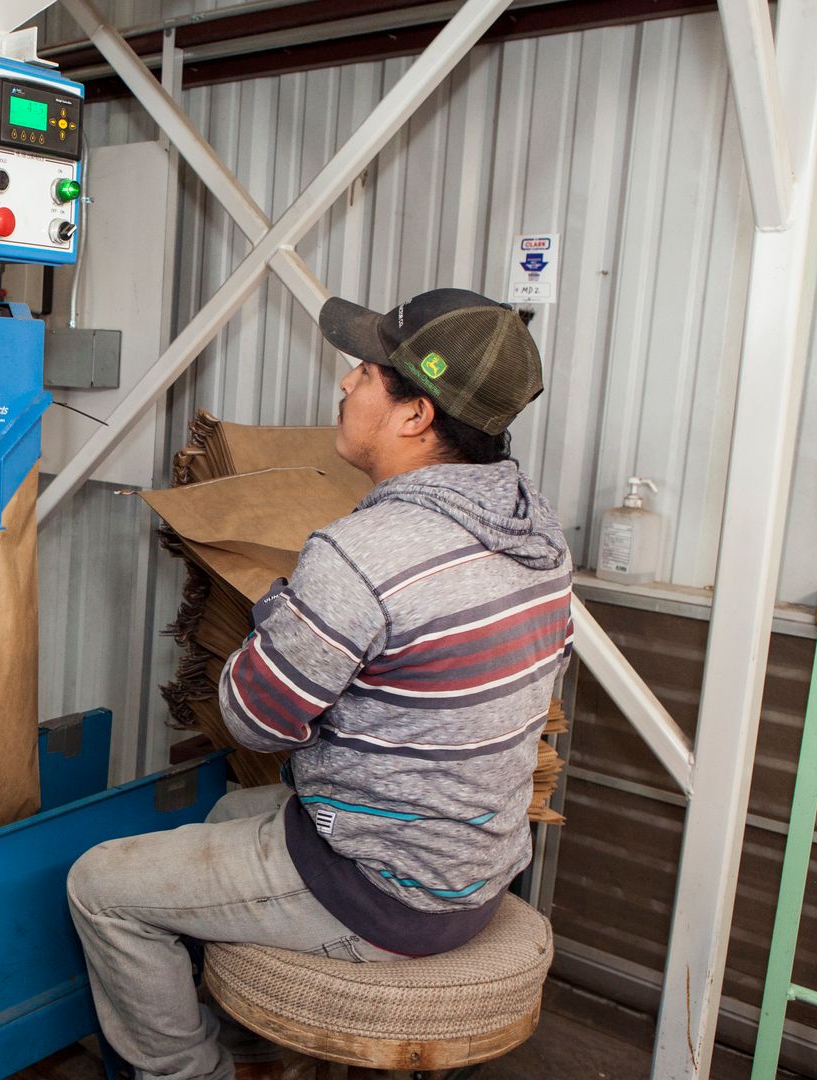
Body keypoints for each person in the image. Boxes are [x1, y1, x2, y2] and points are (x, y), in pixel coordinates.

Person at [66, 288, 573, 1080]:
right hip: (477, 863)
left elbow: (250, 720)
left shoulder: (361, 554)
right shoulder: (537, 530)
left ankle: (184, 1074)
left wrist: (284, 610)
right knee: (232, 807)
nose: (345, 384)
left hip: (385, 891)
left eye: (367, 372)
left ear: (414, 417)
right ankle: (252, 1038)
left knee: (99, 884)